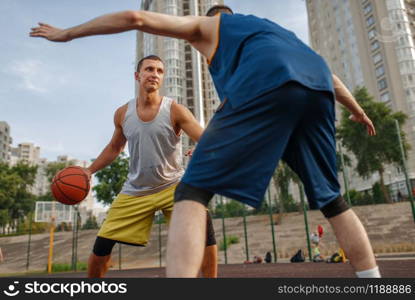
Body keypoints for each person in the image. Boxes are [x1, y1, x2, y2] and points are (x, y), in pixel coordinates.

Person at [30, 4, 380, 278]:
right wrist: (357, 109)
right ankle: (373, 279)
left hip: (266, 87)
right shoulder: (273, 32)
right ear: (137, 76)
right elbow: (328, 74)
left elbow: (135, 16)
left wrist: (68, 34)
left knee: (191, 192)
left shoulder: (209, 26)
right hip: (314, 87)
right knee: (333, 201)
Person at [66, 54, 217, 278]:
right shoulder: (122, 113)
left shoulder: (175, 110)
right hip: (136, 190)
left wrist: (203, 149)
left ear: (162, 78)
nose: (154, 74)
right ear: (138, 76)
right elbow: (114, 147)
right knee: (101, 249)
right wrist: (89, 171)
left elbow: (205, 138)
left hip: (174, 185)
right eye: (149, 69)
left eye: (159, 71)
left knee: (205, 234)